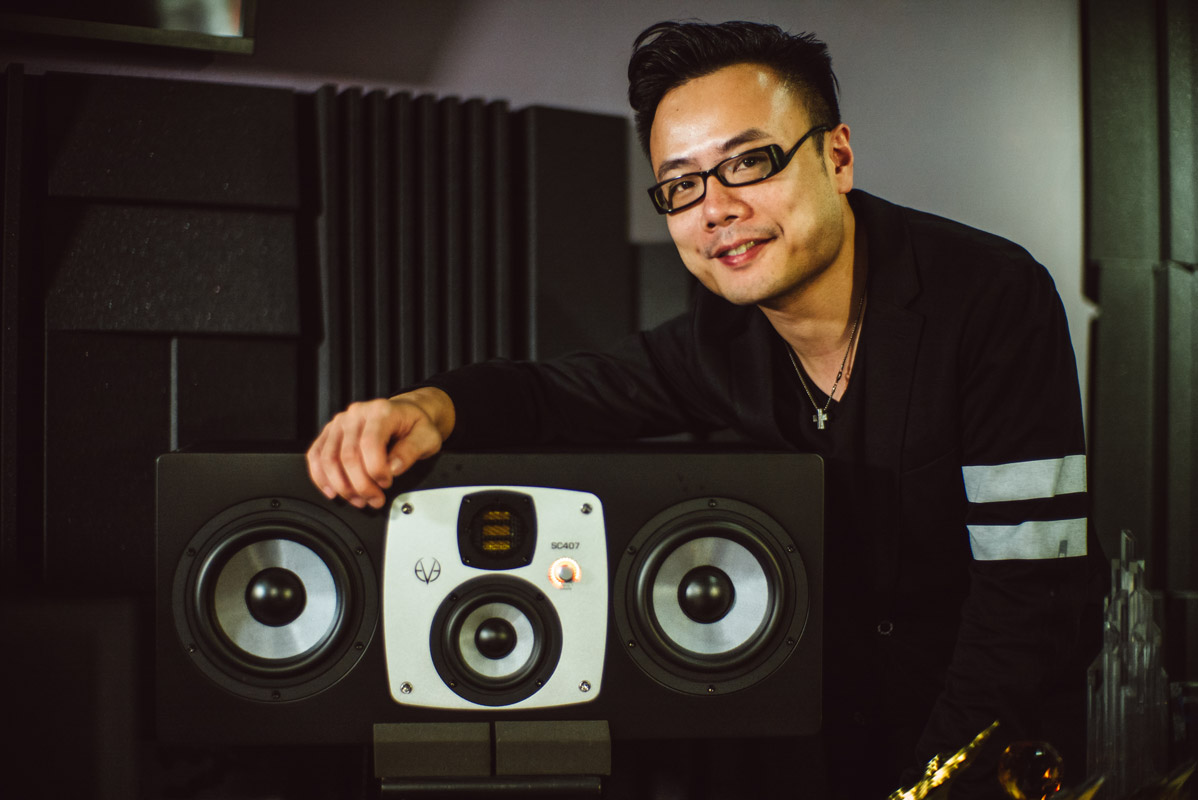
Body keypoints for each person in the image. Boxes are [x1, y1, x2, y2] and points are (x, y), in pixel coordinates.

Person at [307, 20, 1104, 798]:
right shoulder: (721, 339)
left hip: (1000, 752)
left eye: (749, 162)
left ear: (837, 157)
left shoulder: (989, 298)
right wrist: (427, 407)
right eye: (682, 184)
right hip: (839, 745)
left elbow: (1028, 600)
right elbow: (556, 393)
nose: (714, 208)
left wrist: (934, 785)